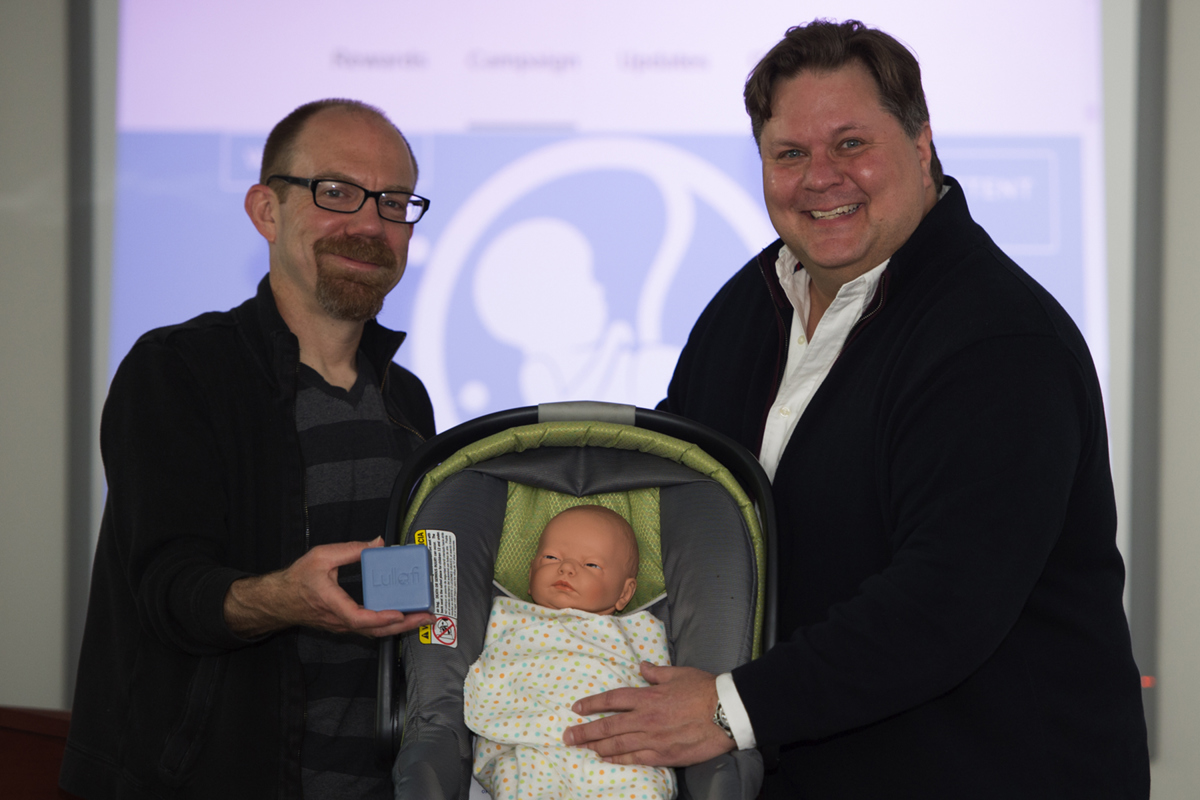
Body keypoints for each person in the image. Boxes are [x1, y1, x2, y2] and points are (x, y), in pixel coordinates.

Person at [562, 20, 1151, 798]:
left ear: (922, 144)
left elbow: (945, 601)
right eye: (790, 154)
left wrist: (730, 708)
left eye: (850, 144)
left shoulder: (1000, 339)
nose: (820, 177)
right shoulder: (748, 305)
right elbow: (676, 489)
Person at [60, 99, 437, 799]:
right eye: (336, 192)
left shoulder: (407, 402)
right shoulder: (180, 369)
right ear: (267, 210)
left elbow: (398, 597)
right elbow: (168, 594)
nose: (369, 223)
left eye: (393, 202)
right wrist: (285, 599)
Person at [464, 505, 676, 800]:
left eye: (591, 565)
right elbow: (497, 668)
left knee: (643, 784)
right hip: (529, 743)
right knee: (520, 779)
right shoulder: (510, 616)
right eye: (551, 558)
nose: (566, 568)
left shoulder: (638, 630)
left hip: (614, 748)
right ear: (530, 574)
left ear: (625, 594)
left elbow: (659, 692)